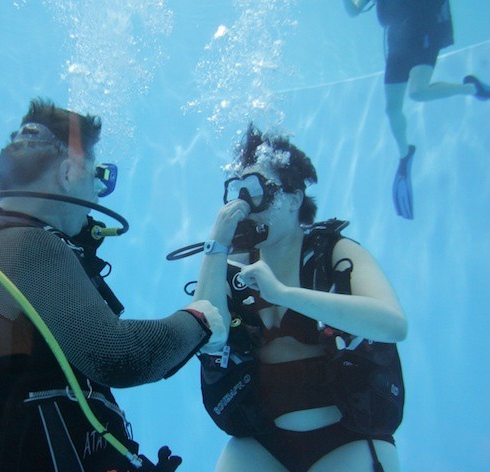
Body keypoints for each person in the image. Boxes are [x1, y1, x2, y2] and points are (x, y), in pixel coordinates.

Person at [0, 97, 227, 471]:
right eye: (95, 176)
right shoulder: (27, 244)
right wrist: (200, 319)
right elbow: (119, 356)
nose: (97, 195)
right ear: (68, 173)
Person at [193, 125, 408, 471]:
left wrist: (284, 294)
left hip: (349, 436)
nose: (246, 209)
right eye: (237, 195)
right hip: (261, 442)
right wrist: (215, 247)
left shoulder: (334, 252)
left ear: (294, 199)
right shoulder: (230, 269)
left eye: (256, 193)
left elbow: (393, 324)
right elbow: (204, 335)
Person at [343, 0, 489, 219]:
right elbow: (353, 12)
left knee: (417, 91)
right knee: (392, 110)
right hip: (397, 41)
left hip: (425, 31)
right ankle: (405, 155)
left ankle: (472, 88)